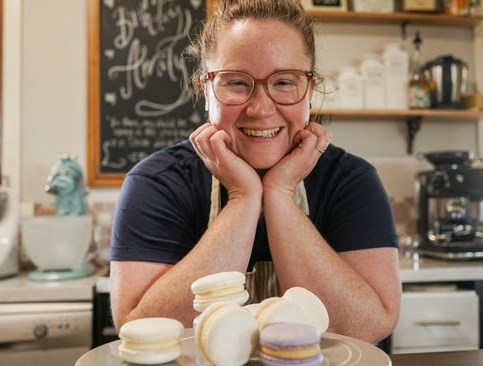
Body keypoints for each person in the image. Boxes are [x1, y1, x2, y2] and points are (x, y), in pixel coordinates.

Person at [110, 0, 400, 344]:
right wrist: (244, 197)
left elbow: (369, 326)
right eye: (236, 83)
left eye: (284, 83)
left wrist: (278, 194)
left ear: (310, 89)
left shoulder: (351, 181)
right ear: (206, 89)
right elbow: (137, 327)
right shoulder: (158, 183)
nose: (261, 108)